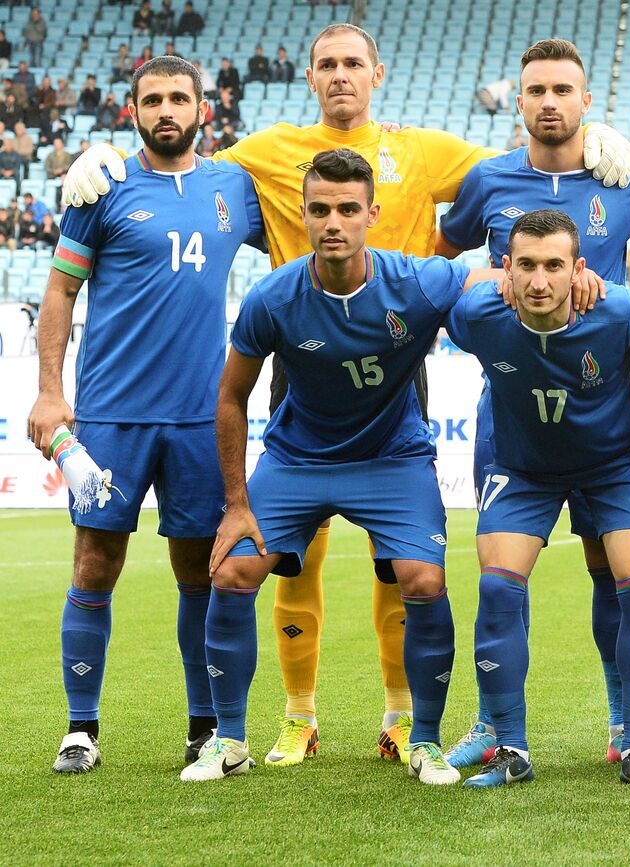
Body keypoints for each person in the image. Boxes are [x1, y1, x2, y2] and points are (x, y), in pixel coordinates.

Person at [60, 21, 630, 770]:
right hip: (297, 350)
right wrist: (109, 154)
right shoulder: (268, 151)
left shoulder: (428, 150)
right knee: (286, 558)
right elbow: (184, 169)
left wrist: (596, 135)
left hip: (401, 348)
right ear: (310, 77)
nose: (341, 75)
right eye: (327, 64)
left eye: (353, 64)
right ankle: (297, 716)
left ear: (379, 73)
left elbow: (523, 161)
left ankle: (403, 717)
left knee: (399, 561)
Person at [433, 38, 630, 772]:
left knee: (616, 573)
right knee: (499, 578)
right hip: (513, 408)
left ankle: (622, 723)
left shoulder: (627, 179)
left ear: (585, 100)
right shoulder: (490, 178)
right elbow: (436, 259)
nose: (548, 102)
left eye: (561, 90)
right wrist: (483, 284)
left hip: (605, 402)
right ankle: (492, 723)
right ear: (520, 101)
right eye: (535, 89)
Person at [25, 56, 264, 776]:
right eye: (152, 99)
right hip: (111, 416)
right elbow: (60, 292)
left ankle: (203, 728)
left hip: (202, 416)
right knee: (96, 563)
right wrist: (48, 390)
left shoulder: (235, 188)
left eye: (178, 98)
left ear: (203, 110)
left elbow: (313, 208)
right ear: (132, 111)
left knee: (201, 569)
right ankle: (81, 728)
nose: (166, 110)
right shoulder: (100, 186)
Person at [190, 148, 458, 784]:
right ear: (304, 217)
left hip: (392, 459)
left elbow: (488, 285)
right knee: (231, 574)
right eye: (319, 210)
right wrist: (237, 503)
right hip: (298, 460)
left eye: (346, 209)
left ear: (372, 213)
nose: (332, 221)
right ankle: (229, 741)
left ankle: (422, 739)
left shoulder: (415, 283)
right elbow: (229, 398)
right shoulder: (274, 297)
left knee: (422, 580)